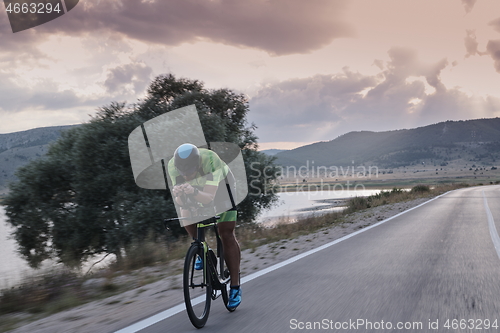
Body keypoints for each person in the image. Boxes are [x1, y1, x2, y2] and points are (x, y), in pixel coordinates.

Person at [167, 143, 242, 310]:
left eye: (190, 172)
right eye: (183, 173)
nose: (186, 176)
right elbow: (180, 202)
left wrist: (192, 192)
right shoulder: (173, 165)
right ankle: (201, 249)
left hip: (223, 186)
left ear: (197, 164)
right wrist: (180, 195)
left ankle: (235, 287)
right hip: (198, 188)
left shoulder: (210, 160)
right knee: (185, 210)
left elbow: (208, 198)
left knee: (226, 233)